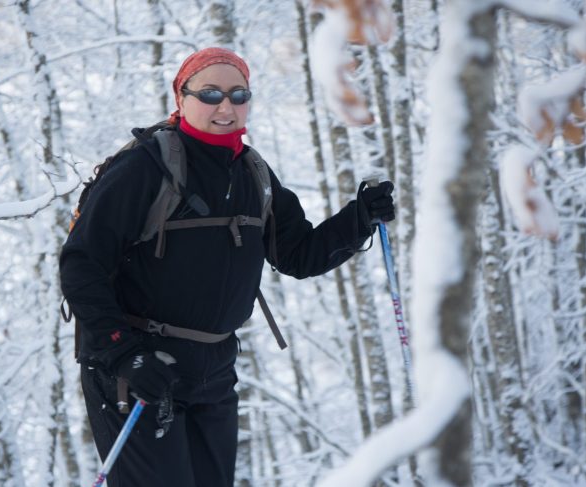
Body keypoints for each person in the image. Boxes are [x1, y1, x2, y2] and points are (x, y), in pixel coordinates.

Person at [59, 47, 395, 487]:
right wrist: (124, 352)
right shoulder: (144, 168)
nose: (226, 106)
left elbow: (297, 254)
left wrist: (358, 218)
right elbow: (81, 264)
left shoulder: (252, 171)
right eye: (211, 93)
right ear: (181, 98)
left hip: (213, 369)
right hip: (139, 368)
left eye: (239, 94)